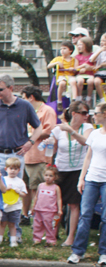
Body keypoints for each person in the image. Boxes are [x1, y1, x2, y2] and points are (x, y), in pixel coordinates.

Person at [0, 74, 42, 178]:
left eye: (1, 89)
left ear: (11, 88)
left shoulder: (25, 106)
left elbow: (38, 127)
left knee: (14, 189)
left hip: (16, 155)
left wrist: (31, 142)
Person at [67, 102, 106, 265]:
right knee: (85, 214)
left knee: (105, 218)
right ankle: (77, 251)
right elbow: (88, 157)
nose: (92, 115)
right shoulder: (95, 133)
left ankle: (103, 253)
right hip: (92, 178)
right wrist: (82, 178)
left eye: (96, 113)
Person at [50, 101, 93, 246]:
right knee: (55, 204)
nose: (86, 116)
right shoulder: (58, 129)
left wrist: (70, 131)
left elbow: (86, 142)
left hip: (78, 170)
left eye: (87, 113)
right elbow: (52, 150)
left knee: (74, 204)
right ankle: (52, 234)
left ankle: (70, 237)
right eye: (83, 113)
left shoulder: (87, 127)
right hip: (61, 169)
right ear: (74, 114)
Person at [20, 86, 56, 226]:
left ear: (31, 97)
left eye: (24, 97)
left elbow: (49, 130)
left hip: (39, 156)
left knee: (37, 189)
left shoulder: (47, 111)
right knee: (25, 188)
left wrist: (30, 136)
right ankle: (25, 215)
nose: (23, 101)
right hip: (25, 155)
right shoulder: (27, 110)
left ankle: (38, 217)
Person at [0, 157, 28, 248]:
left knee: (12, 224)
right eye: (11, 168)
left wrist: (18, 192)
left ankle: (13, 240)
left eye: (15, 169)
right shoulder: (3, 179)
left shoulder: (20, 181)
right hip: (3, 206)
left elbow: (24, 194)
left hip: (15, 207)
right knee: (2, 223)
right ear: (6, 169)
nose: (13, 171)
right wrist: (4, 189)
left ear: (19, 170)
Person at [32, 166, 62, 246]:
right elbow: (36, 197)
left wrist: (59, 209)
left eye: (50, 176)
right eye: (46, 175)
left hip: (50, 211)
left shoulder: (56, 188)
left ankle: (51, 240)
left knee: (50, 226)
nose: (48, 177)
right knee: (37, 225)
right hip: (39, 209)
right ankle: (37, 239)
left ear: (55, 177)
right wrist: (33, 207)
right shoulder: (40, 185)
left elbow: (59, 199)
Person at [48, 42, 79, 112]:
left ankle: (74, 99)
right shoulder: (58, 59)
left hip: (70, 76)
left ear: (70, 50)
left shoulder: (74, 60)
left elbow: (76, 69)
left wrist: (73, 69)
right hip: (62, 76)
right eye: (61, 49)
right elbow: (49, 66)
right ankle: (59, 101)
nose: (62, 50)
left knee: (73, 82)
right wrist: (56, 63)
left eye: (64, 48)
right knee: (62, 84)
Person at [75, 37, 96, 105]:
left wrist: (88, 68)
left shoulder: (93, 56)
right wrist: (83, 66)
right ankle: (79, 97)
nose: (78, 47)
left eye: (80, 44)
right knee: (80, 81)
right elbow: (76, 68)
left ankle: (88, 98)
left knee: (90, 81)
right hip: (80, 75)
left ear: (87, 45)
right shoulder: (77, 56)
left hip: (90, 75)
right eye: (78, 45)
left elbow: (95, 67)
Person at [90, 34, 106, 105]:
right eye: (101, 41)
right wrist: (100, 51)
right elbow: (91, 59)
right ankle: (102, 99)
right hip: (100, 73)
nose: (102, 42)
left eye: (104, 40)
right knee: (96, 81)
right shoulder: (99, 51)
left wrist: (101, 65)